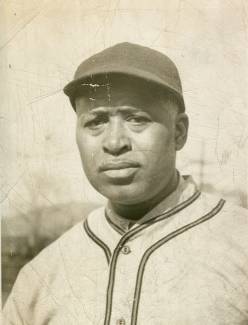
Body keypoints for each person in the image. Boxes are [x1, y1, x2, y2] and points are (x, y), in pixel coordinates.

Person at [3, 42, 248, 325]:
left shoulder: (240, 243)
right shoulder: (40, 275)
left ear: (179, 133)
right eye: (96, 121)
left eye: (136, 118)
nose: (115, 143)